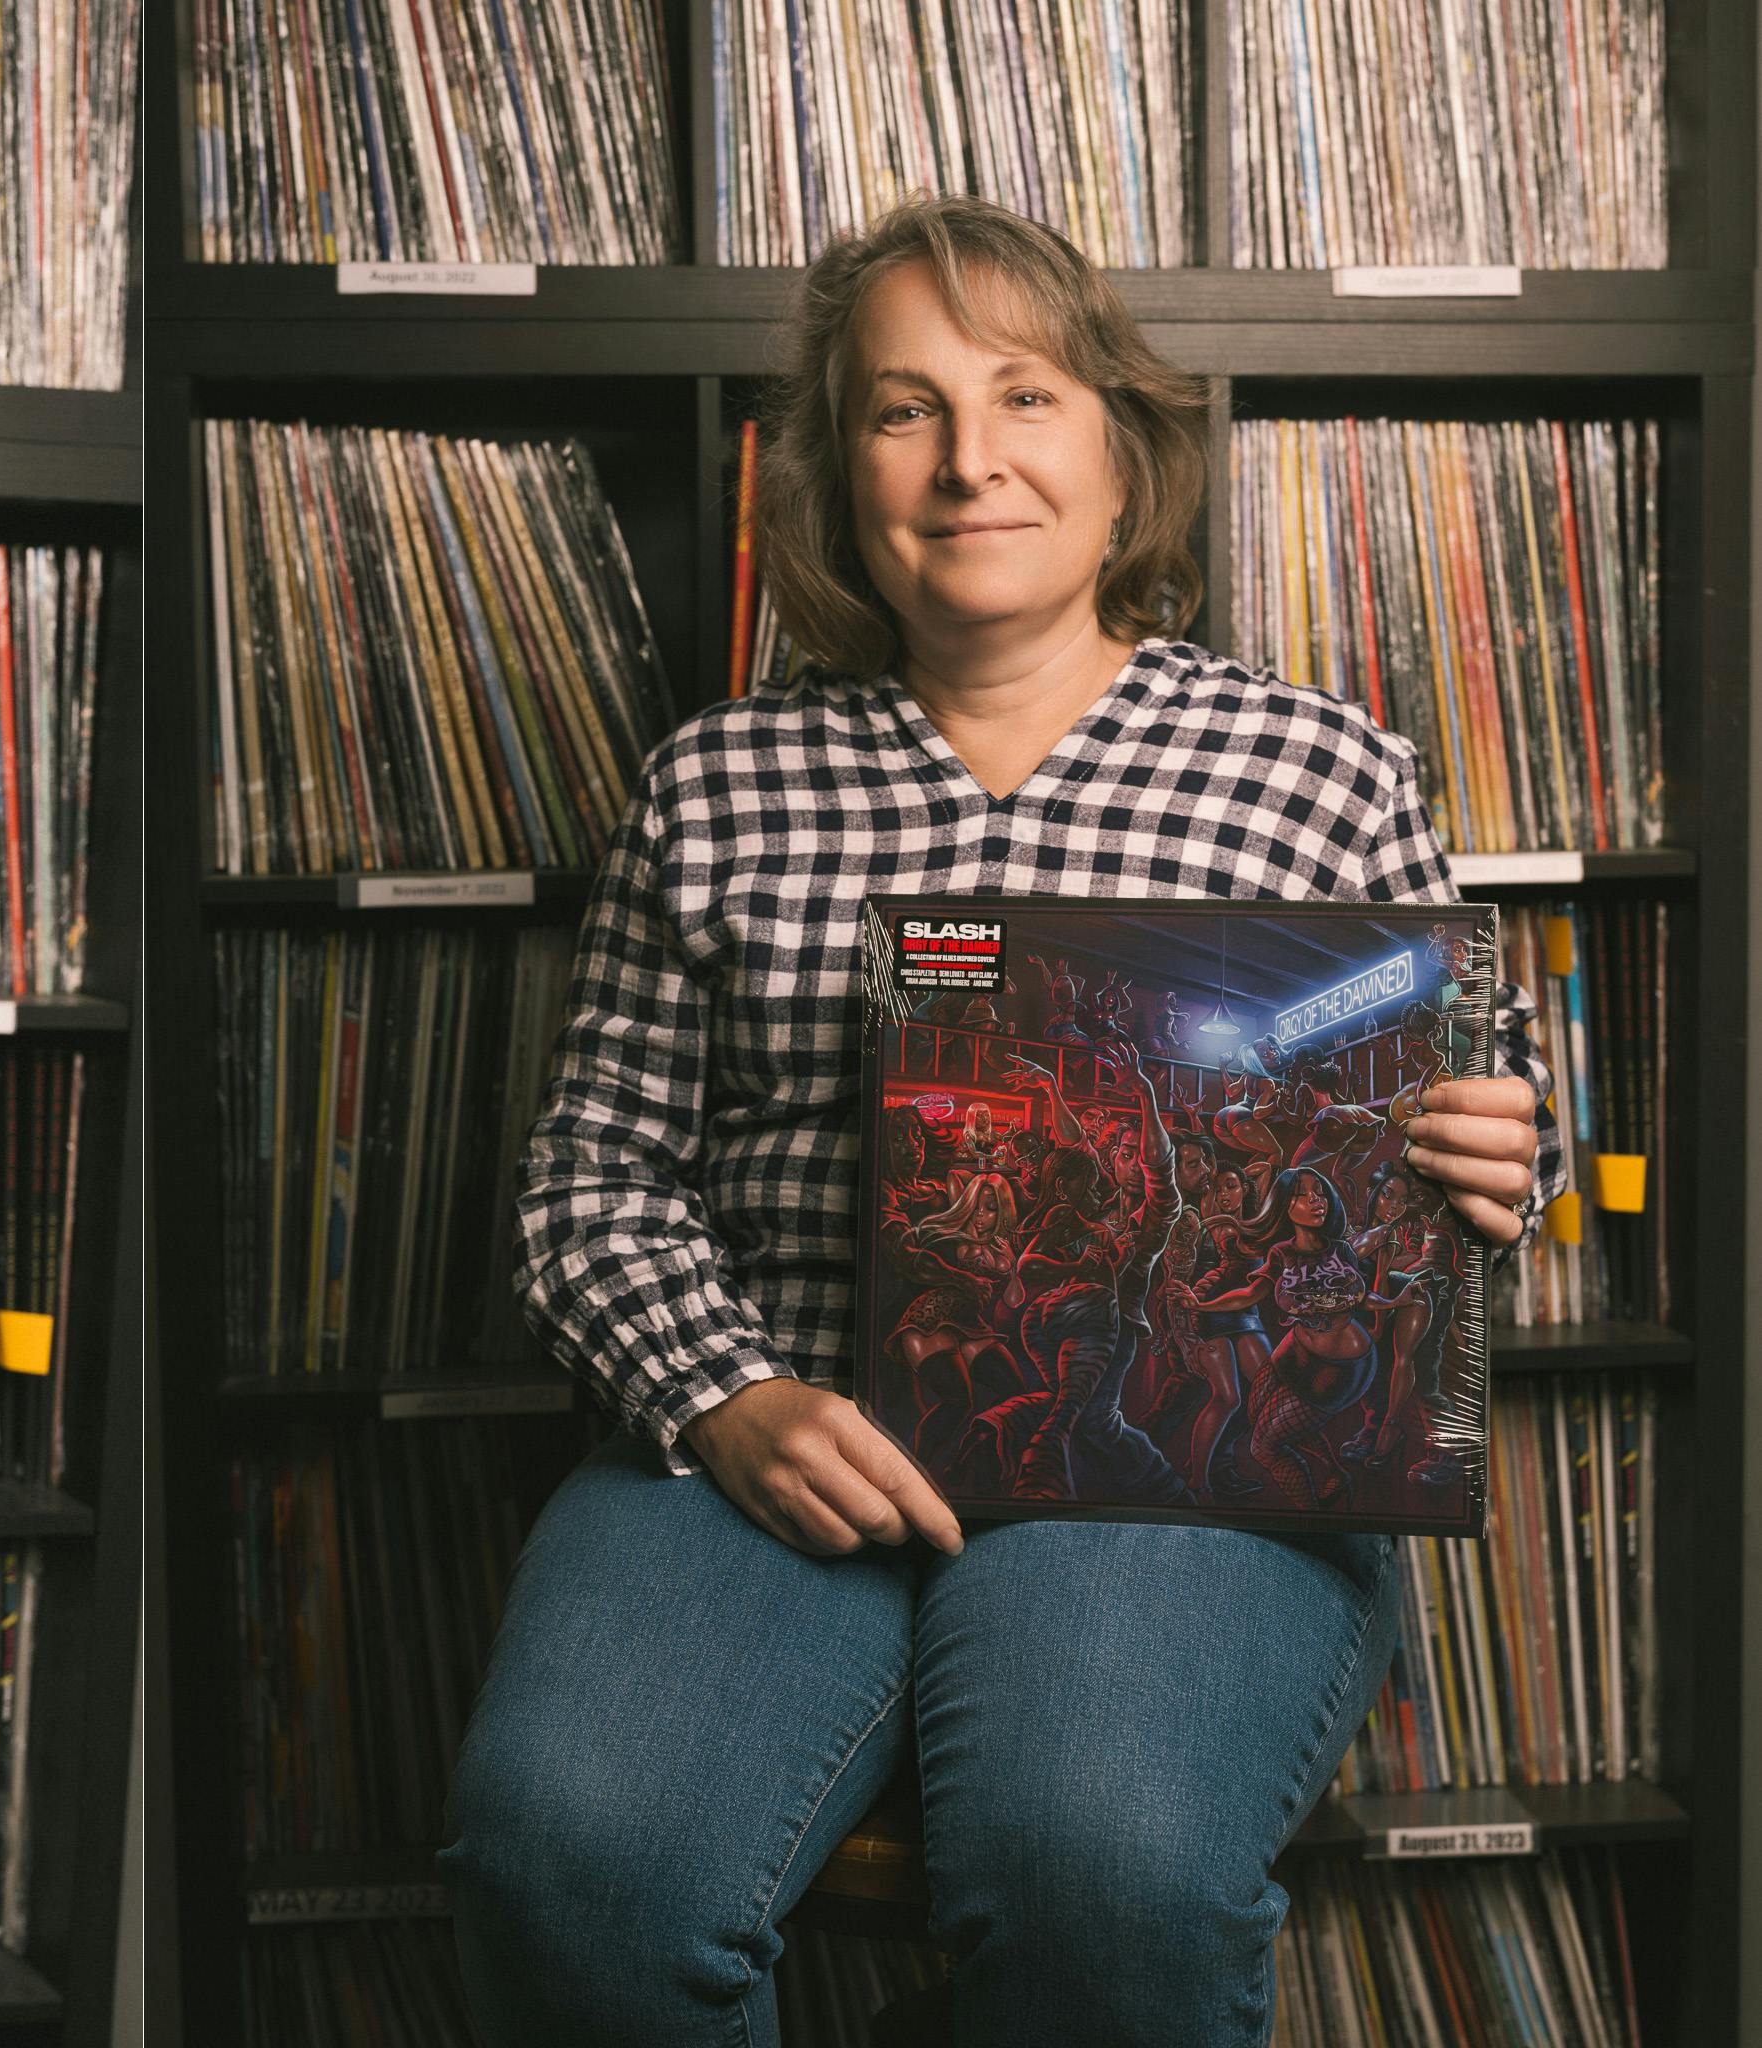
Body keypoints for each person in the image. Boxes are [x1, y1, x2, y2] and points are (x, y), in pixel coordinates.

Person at [443, 195, 1558, 2047]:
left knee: (1100, 1866)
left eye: (1025, 396)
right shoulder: (719, 784)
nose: (972, 460)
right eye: (905, 410)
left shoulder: (1319, 773)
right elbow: (590, 1180)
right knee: (567, 1858)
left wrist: (1482, 1165)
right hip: (783, 1444)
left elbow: (1457, 1151)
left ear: (1122, 449)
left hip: (1179, 1465)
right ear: (838, 476)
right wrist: (731, 1401)